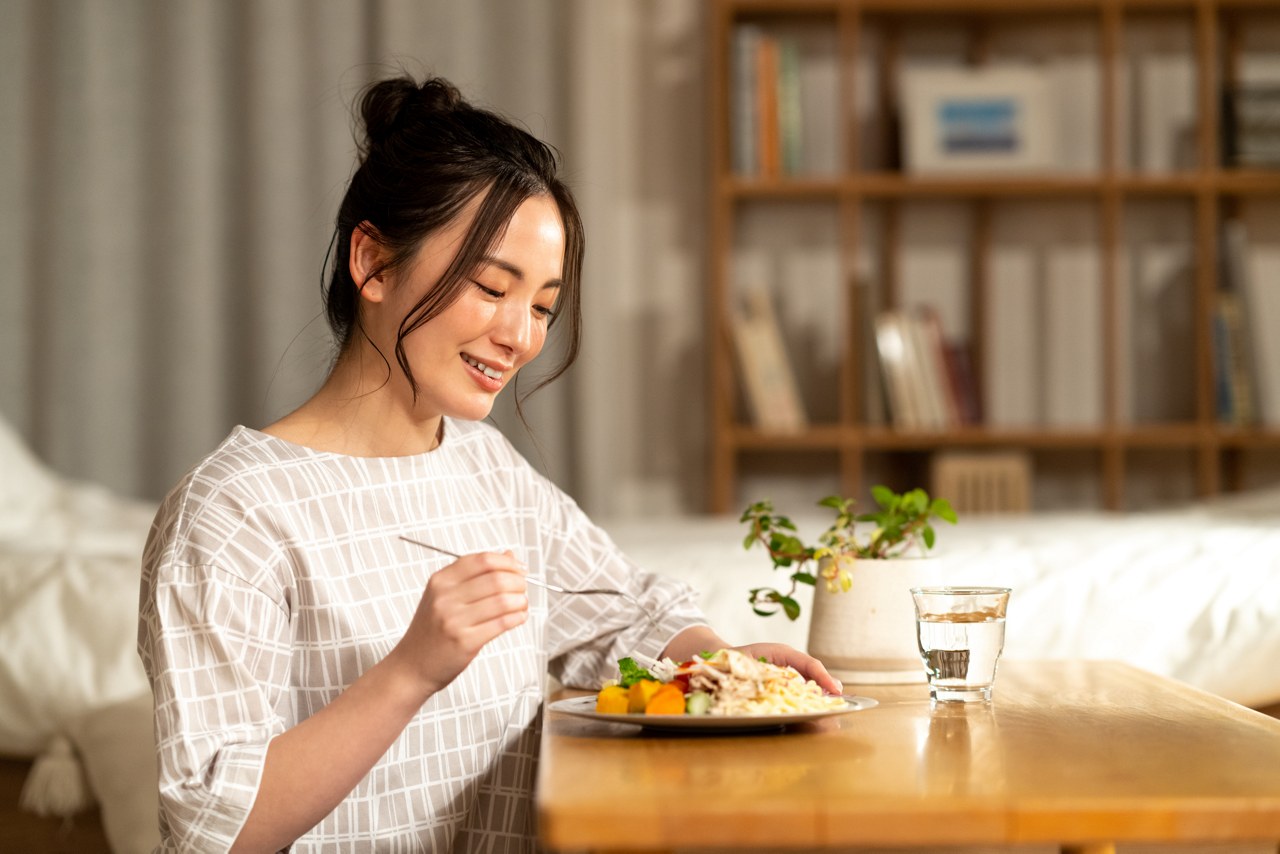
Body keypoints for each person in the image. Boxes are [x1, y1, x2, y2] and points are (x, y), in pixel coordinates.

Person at [138, 75, 840, 854]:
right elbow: (213, 826)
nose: (521, 337)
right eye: (490, 287)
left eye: (542, 305)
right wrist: (409, 671)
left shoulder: (485, 468)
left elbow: (621, 611)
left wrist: (726, 667)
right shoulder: (233, 511)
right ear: (370, 263)